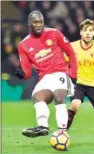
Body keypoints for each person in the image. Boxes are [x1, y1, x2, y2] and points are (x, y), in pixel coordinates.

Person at [15, 10, 77, 138]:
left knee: (59, 97)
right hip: (44, 77)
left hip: (60, 72)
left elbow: (71, 52)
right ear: (29, 23)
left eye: (41, 22)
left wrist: (74, 74)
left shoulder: (54, 33)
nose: (38, 25)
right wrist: (22, 74)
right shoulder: (23, 45)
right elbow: (26, 71)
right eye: (35, 22)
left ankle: (62, 132)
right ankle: (43, 126)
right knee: (37, 97)